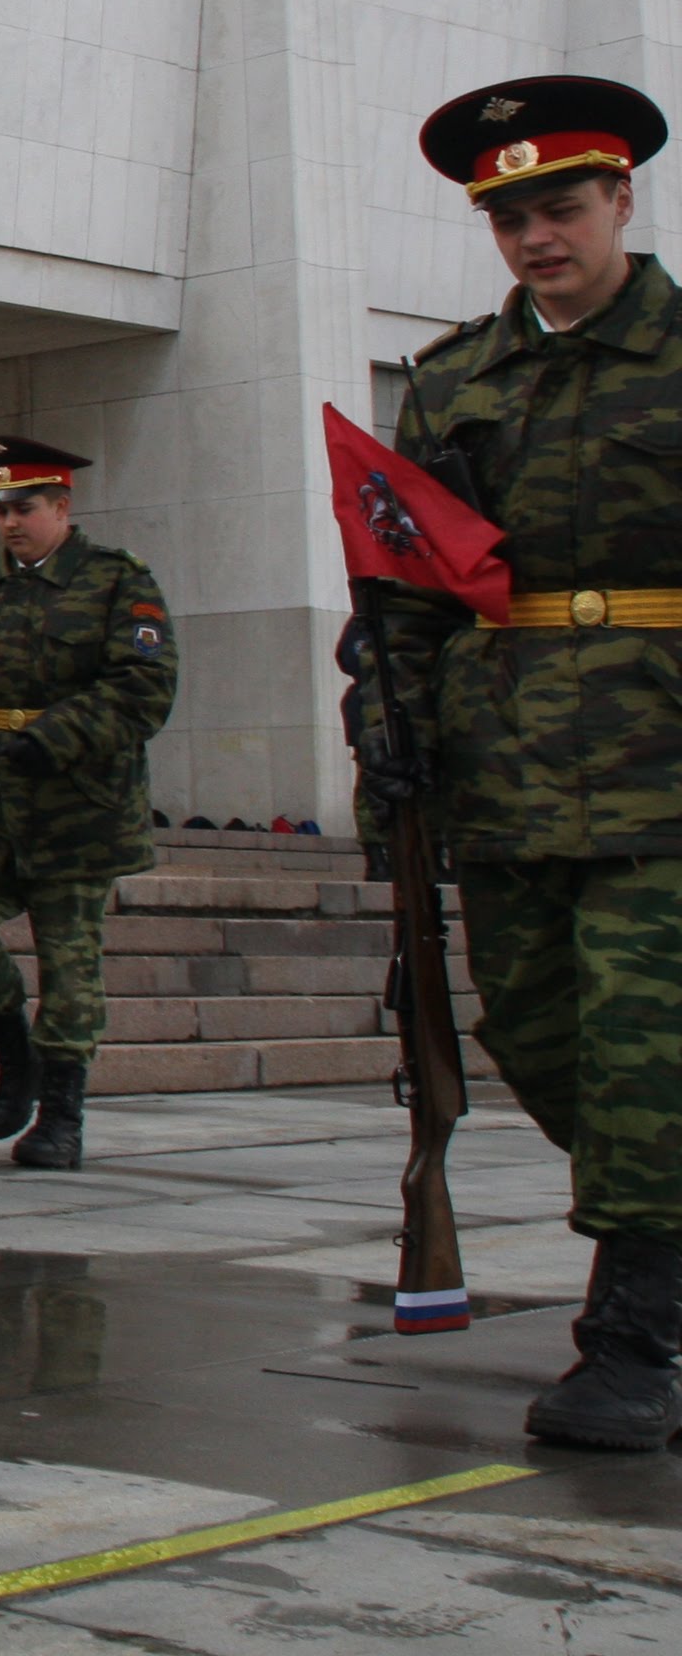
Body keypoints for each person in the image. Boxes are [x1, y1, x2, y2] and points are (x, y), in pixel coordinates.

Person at [366, 73, 682, 1451]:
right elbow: (404, 590)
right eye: (511, 220)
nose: (537, 239)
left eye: (562, 209)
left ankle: (633, 1341)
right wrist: (385, 727)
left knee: (644, 1047)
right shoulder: (451, 384)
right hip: (506, 766)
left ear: (622, 198)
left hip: (666, 758)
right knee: (541, 1035)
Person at [0, 435, 178, 1171]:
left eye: (24, 507)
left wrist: (56, 737)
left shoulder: (117, 581)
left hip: (78, 798)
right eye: (0, 508)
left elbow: (144, 687)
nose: (9, 522)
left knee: (68, 957)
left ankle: (62, 1111)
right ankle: (15, 1053)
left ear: (62, 506)